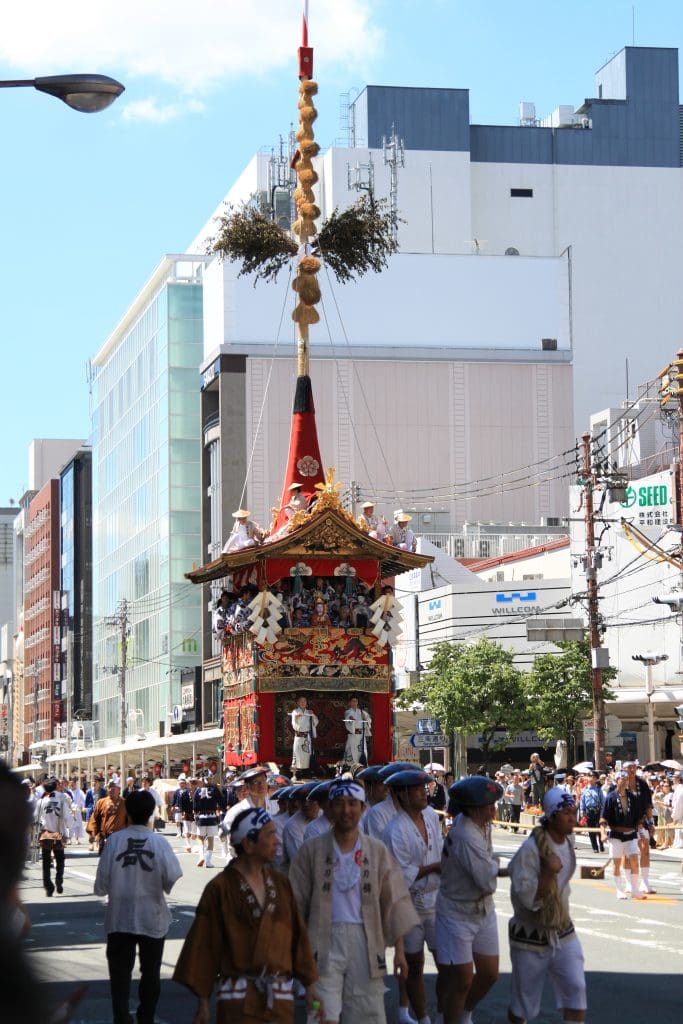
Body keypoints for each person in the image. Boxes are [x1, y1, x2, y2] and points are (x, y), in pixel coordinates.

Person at [174, 806, 319, 1023]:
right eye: (270, 835)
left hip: (279, 1000)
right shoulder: (220, 888)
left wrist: (310, 987)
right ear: (248, 844)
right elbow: (203, 945)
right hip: (237, 1000)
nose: (277, 841)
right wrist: (203, 1004)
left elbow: (298, 938)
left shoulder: (280, 884)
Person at [290, 779, 418, 1024]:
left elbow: (394, 901)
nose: (346, 810)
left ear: (362, 808)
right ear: (329, 808)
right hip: (322, 939)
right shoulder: (311, 850)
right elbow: (295, 905)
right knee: (320, 1011)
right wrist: (298, 956)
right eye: (339, 804)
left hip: (366, 939)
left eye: (352, 804)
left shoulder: (377, 850)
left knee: (367, 1011)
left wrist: (400, 952)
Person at [94, 789, 182, 1024]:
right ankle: (146, 1017)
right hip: (152, 915)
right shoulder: (159, 842)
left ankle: (121, 1017)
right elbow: (172, 877)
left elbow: (101, 886)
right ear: (151, 812)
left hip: (119, 916)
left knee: (119, 974)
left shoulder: (114, 841)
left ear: (127, 813)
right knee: (151, 972)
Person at [507, 788, 587, 1024]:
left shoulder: (568, 840)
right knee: (523, 1005)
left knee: (576, 989)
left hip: (563, 930)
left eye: (573, 811)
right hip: (530, 935)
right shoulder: (530, 851)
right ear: (551, 817)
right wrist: (547, 873)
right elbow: (528, 899)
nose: (572, 817)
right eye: (566, 813)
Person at [435, 776, 507, 1024]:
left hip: (482, 910)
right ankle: (450, 1019)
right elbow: (486, 881)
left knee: (489, 974)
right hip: (457, 912)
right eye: (490, 804)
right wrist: (496, 865)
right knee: (462, 980)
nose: (494, 808)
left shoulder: (481, 825)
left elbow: (488, 869)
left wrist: (498, 867)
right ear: (475, 807)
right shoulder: (465, 834)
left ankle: (463, 1013)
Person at [382, 769, 442, 1024]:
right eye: (418, 789)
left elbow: (439, 848)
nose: (423, 793)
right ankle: (424, 1017)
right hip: (411, 903)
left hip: (437, 899)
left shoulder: (431, 816)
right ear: (402, 795)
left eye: (424, 788)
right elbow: (401, 875)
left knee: (449, 964)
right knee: (415, 965)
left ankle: (445, 1013)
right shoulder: (394, 829)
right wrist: (434, 867)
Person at [599, 770, 646, 899]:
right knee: (617, 863)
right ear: (617, 780)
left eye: (626, 779)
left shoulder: (632, 797)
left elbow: (638, 818)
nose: (625, 781)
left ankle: (635, 889)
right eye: (622, 778)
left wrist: (641, 834)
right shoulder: (610, 797)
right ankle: (619, 890)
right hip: (615, 835)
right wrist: (603, 834)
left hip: (630, 834)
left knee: (635, 861)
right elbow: (603, 818)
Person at [34, 777, 70, 896]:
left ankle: (48, 886)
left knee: (46, 861)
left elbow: (36, 818)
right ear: (55, 787)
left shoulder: (41, 801)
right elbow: (67, 818)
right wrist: (68, 829)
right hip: (58, 833)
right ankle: (59, 878)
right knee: (60, 859)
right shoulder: (61, 799)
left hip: (46, 834)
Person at [88, 779, 129, 856]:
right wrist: (92, 833)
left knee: (118, 863)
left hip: (120, 839)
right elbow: (94, 819)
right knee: (105, 864)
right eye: (109, 788)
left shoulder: (125, 803)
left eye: (113, 788)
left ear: (119, 789)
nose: (110, 790)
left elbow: (130, 821)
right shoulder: (101, 802)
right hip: (104, 837)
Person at [194, 774, 227, 868]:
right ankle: (208, 861)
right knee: (210, 839)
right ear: (211, 780)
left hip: (201, 817)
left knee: (200, 838)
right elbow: (222, 802)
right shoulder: (215, 790)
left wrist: (196, 814)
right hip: (212, 817)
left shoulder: (198, 791)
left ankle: (201, 856)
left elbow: (195, 806)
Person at [290, 694, 319, 777]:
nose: (303, 703)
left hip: (307, 737)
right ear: (298, 703)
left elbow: (316, 722)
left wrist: (312, 715)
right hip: (299, 737)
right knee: (297, 754)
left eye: (304, 701)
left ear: (307, 703)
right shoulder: (295, 712)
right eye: (301, 701)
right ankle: (296, 774)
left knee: (307, 756)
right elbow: (294, 724)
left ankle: (307, 772)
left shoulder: (308, 712)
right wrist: (296, 718)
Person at [578, 773, 604, 853]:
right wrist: (582, 812)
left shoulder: (599, 789)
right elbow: (582, 802)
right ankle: (594, 847)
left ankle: (601, 844)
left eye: (593, 777)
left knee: (599, 829)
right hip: (589, 812)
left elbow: (603, 802)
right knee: (591, 830)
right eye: (590, 777)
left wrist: (602, 814)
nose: (591, 778)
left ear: (596, 779)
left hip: (597, 811)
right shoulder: (585, 790)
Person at [343, 696, 372, 766]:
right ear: (350, 703)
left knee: (362, 751)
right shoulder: (348, 711)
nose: (354, 703)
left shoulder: (362, 712)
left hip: (361, 735)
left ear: (357, 703)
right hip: (353, 735)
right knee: (351, 750)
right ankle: (350, 766)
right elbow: (348, 717)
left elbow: (369, 720)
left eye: (356, 701)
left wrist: (365, 718)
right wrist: (351, 719)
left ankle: (362, 765)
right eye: (352, 701)